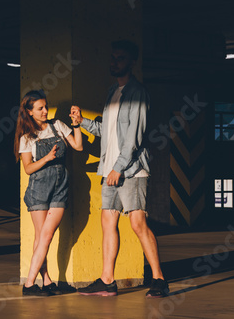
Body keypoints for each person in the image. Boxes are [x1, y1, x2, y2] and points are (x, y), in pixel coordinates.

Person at [72, 40, 169, 298]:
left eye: (120, 58)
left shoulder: (138, 93)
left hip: (131, 171)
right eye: (113, 58)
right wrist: (82, 123)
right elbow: (107, 132)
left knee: (138, 223)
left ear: (131, 62)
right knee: (107, 222)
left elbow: (133, 139)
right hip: (110, 170)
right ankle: (107, 280)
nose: (115, 62)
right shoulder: (112, 92)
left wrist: (117, 168)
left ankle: (159, 279)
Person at [14, 90, 83, 296]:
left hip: (60, 186)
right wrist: (47, 158)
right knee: (42, 236)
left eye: (46, 107)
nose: (45, 111)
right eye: (40, 108)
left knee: (46, 234)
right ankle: (37, 282)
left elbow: (78, 146)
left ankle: (38, 281)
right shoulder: (27, 137)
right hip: (39, 187)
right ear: (29, 112)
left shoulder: (58, 126)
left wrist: (77, 124)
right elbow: (28, 168)